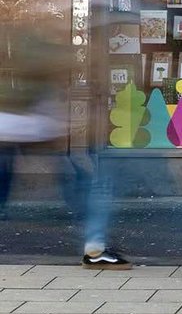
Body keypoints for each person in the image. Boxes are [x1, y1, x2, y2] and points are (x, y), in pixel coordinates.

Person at [0, 14, 129, 269]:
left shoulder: (28, 54)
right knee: (76, 182)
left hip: (23, 129)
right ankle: (95, 246)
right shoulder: (43, 57)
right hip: (25, 128)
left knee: (66, 178)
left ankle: (95, 244)